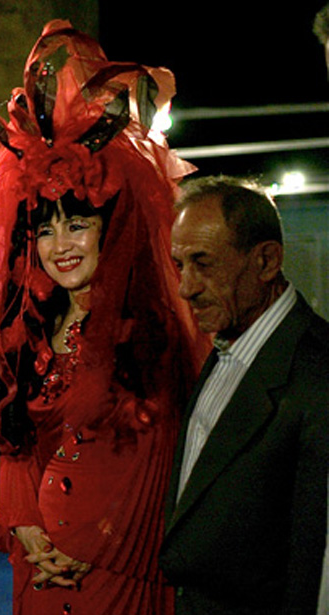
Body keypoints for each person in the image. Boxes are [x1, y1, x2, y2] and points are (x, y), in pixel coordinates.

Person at [0, 20, 208, 615]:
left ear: (111, 231)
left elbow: (160, 456)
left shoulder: (153, 329)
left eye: (78, 224)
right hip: (39, 568)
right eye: (45, 229)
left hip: (120, 569)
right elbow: (16, 443)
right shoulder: (28, 329)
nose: (60, 244)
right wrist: (25, 527)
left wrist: (93, 545)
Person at [159, 176, 329, 614]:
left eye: (203, 263)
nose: (186, 287)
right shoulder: (228, 342)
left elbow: (315, 563)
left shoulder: (317, 375)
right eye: (180, 264)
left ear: (267, 261)